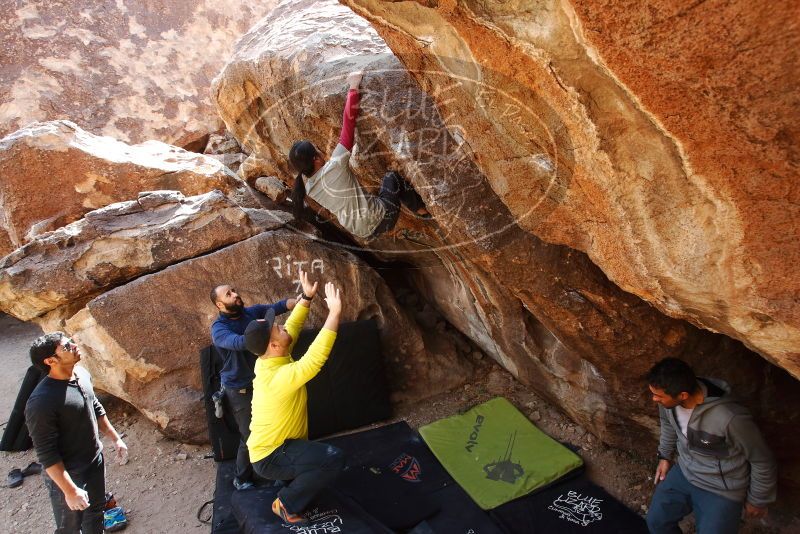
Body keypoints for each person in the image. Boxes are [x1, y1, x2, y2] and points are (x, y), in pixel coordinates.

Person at [243, 269, 345, 524]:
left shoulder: (268, 358)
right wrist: (334, 314)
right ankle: (286, 503)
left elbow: (293, 327)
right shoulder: (277, 378)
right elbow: (314, 360)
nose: (281, 324)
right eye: (276, 328)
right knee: (333, 458)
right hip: (272, 455)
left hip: (277, 446)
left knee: (314, 460)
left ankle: (290, 478)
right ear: (274, 346)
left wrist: (307, 298)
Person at [289, 70, 431, 240]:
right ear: (316, 159)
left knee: (372, 194)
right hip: (383, 217)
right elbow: (348, 124)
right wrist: (354, 85)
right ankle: (422, 211)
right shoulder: (335, 166)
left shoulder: (310, 189)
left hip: (363, 232)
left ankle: (390, 222)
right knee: (391, 178)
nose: (320, 150)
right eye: (317, 149)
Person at [645, 358, 777, 534]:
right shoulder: (669, 403)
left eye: (658, 396)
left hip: (721, 488)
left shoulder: (730, 418)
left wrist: (758, 499)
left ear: (683, 395)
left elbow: (762, 460)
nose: (654, 399)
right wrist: (664, 456)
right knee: (656, 522)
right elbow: (667, 425)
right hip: (685, 472)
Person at [25, 332, 128, 534]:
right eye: (66, 347)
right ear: (50, 361)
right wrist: (70, 491)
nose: (74, 345)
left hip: (94, 463)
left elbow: (95, 406)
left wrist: (115, 438)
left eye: (71, 342)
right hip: (69, 474)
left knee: (95, 515)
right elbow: (46, 453)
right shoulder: (41, 402)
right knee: (70, 527)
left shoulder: (81, 373)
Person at [210, 285, 299, 490]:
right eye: (229, 294)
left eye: (234, 290)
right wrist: (268, 334)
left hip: (262, 384)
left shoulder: (250, 313)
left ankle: (279, 473)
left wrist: (299, 301)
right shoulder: (219, 330)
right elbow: (241, 342)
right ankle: (242, 478)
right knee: (251, 435)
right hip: (240, 389)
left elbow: (276, 306)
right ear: (220, 304)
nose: (236, 294)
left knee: (277, 429)